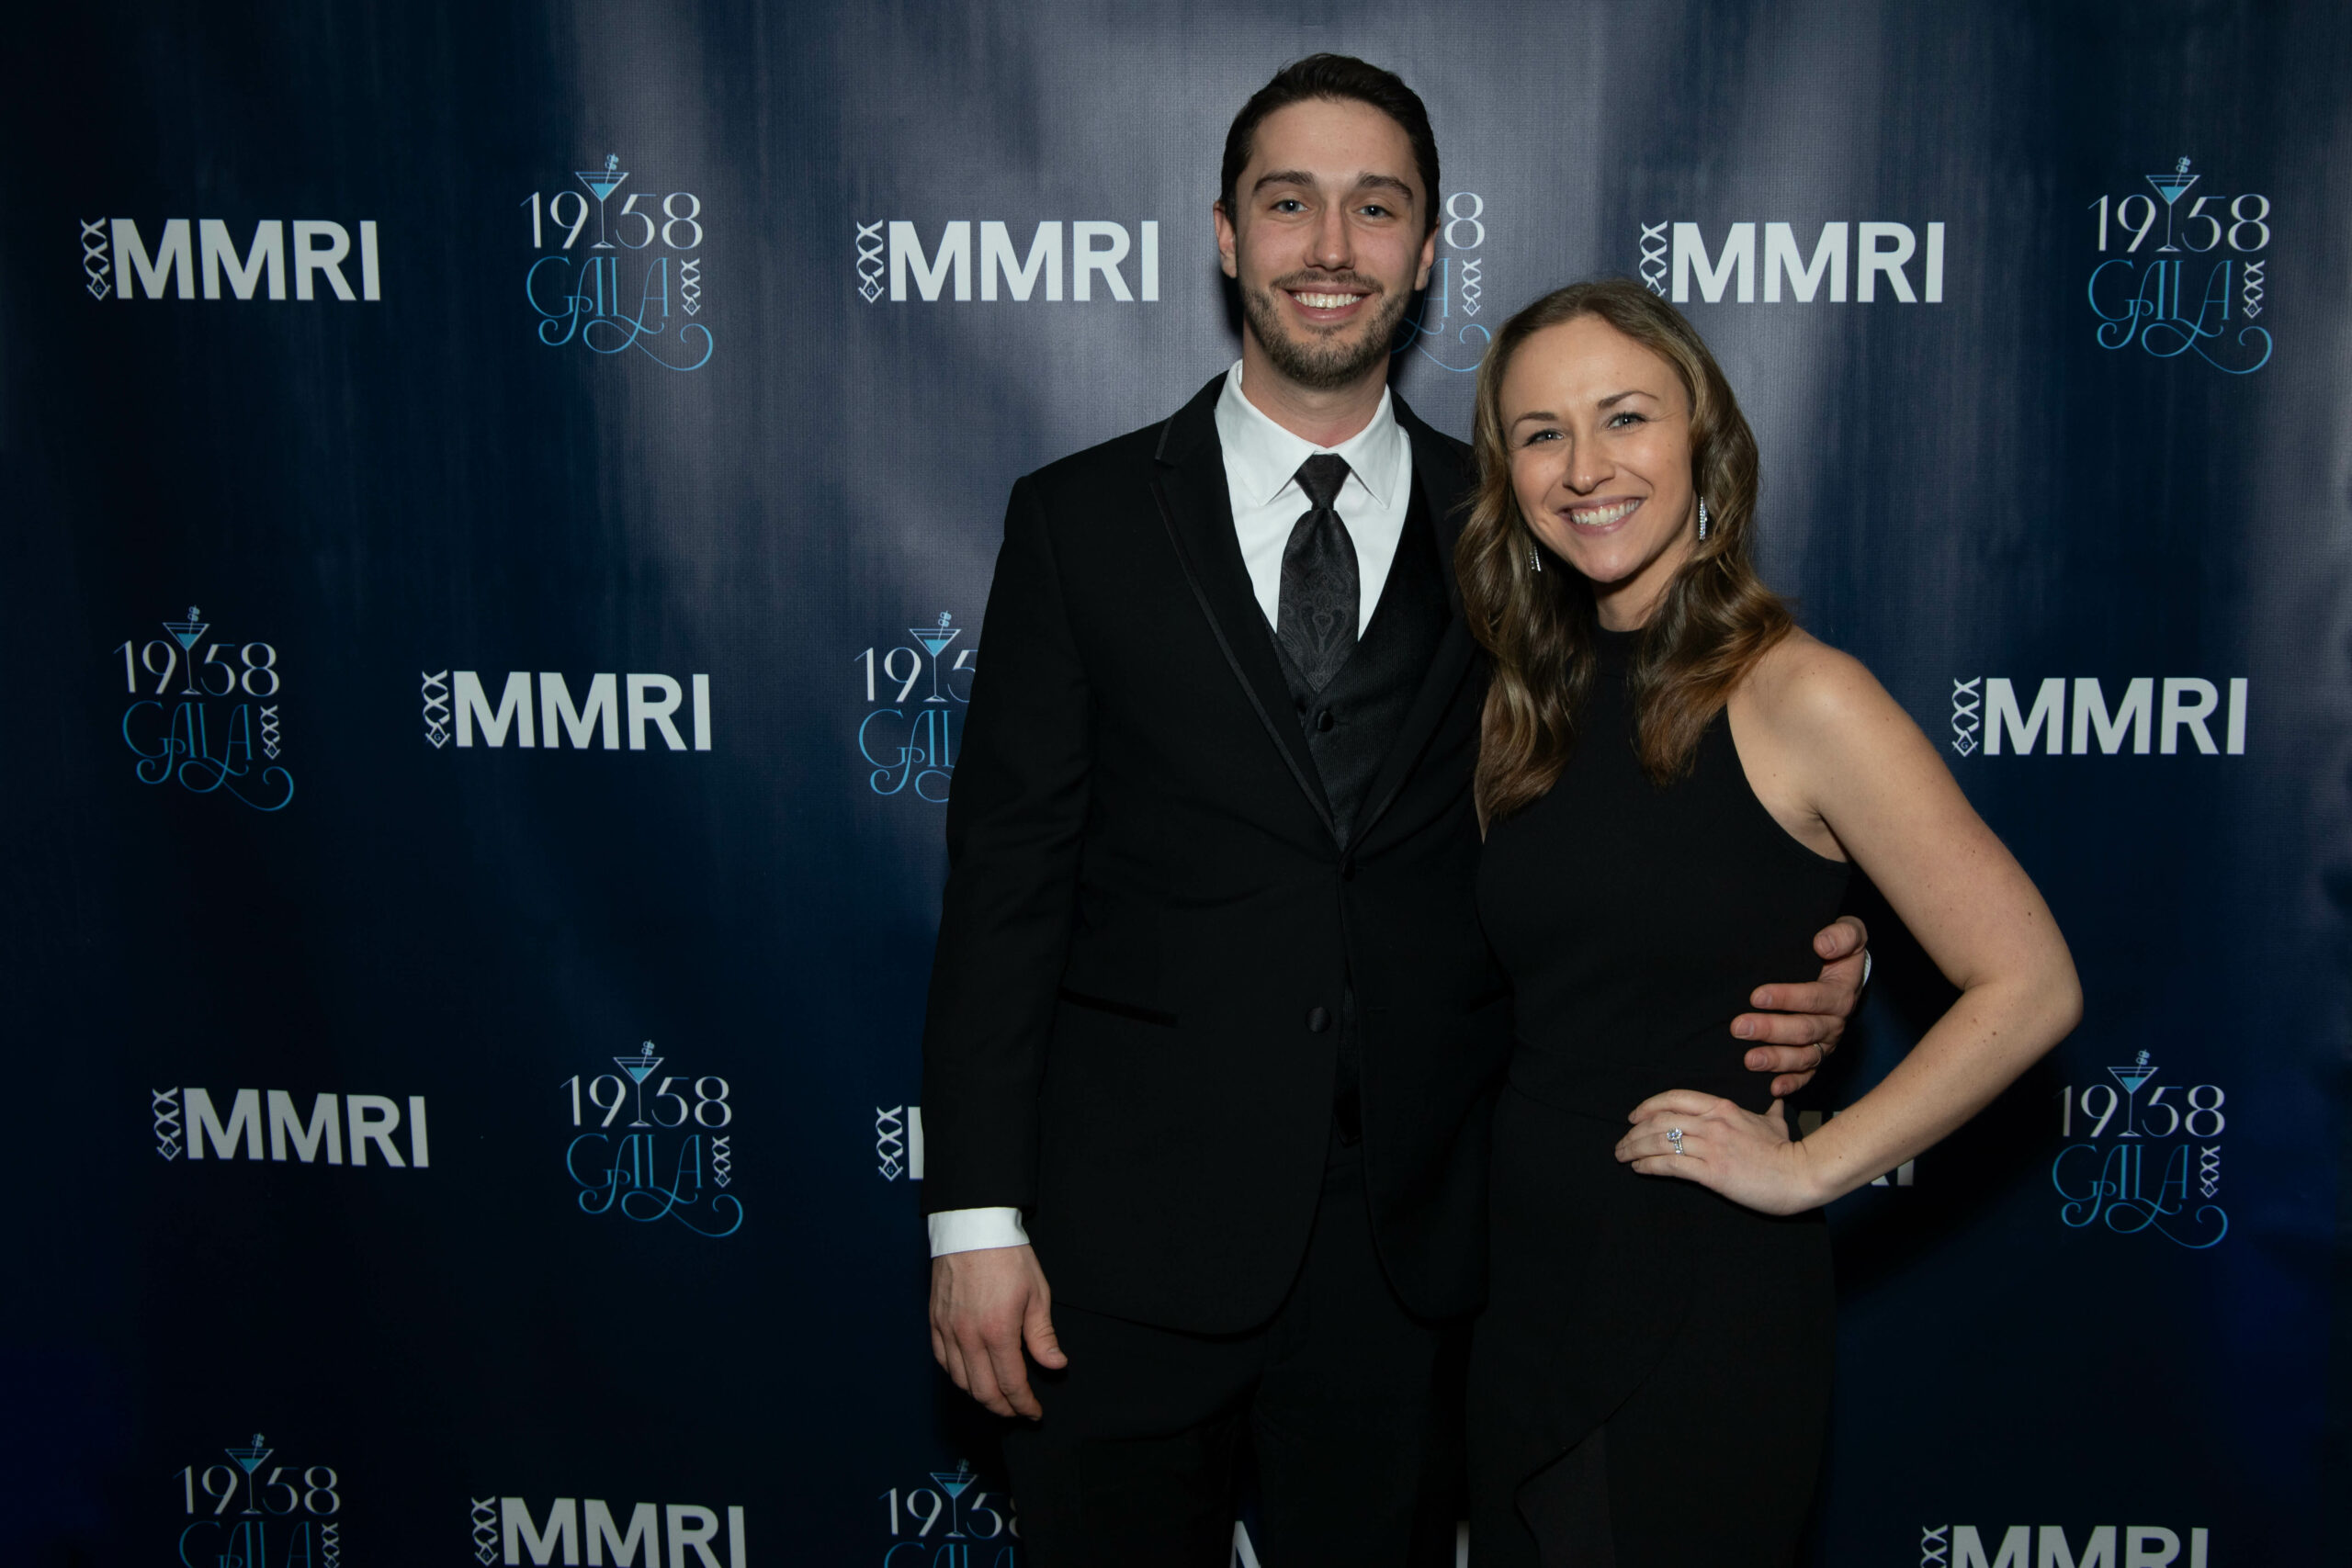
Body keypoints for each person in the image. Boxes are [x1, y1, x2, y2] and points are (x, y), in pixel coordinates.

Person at [919, 62, 1868, 1567]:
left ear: (1428, 256)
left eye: (1378, 207)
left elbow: (1649, 799)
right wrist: (973, 1220)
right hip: (1123, 1252)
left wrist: (1819, 951)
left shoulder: (1523, 528)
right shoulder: (1078, 520)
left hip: (1422, 1258)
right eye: (1288, 201)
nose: (1331, 246)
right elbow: (1004, 888)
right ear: (1225, 234)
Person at [1459, 278, 2085, 1566]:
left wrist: (1809, 1166)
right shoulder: (1525, 700)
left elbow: (2029, 984)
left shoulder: (1802, 696)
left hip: (1695, 1309)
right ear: (1506, 471)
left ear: (1707, 446)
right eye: (1541, 433)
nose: (1586, 468)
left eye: (1625, 417)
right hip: (1523, 1295)